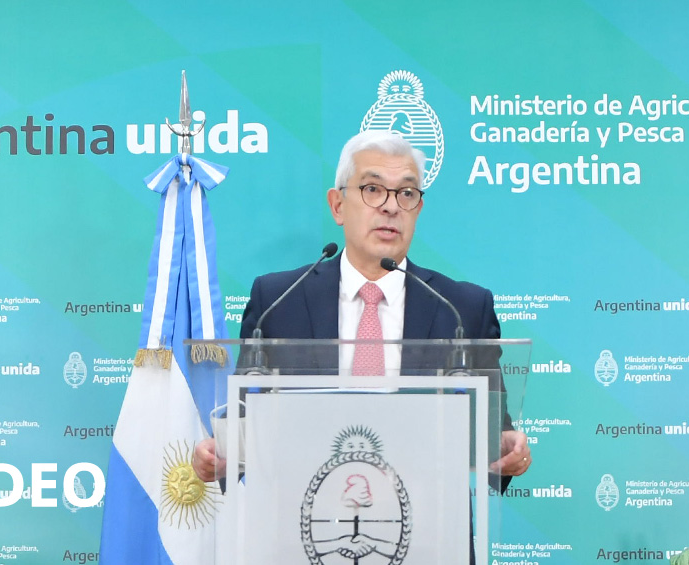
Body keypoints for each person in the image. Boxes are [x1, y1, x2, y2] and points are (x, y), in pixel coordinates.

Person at [192, 129, 532, 483]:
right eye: (373, 189)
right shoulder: (278, 301)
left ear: (418, 209)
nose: (391, 206)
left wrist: (506, 447)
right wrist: (222, 455)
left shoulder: (463, 309)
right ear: (338, 206)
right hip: (305, 509)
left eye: (406, 193)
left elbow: (493, 434)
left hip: (429, 511)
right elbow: (246, 419)